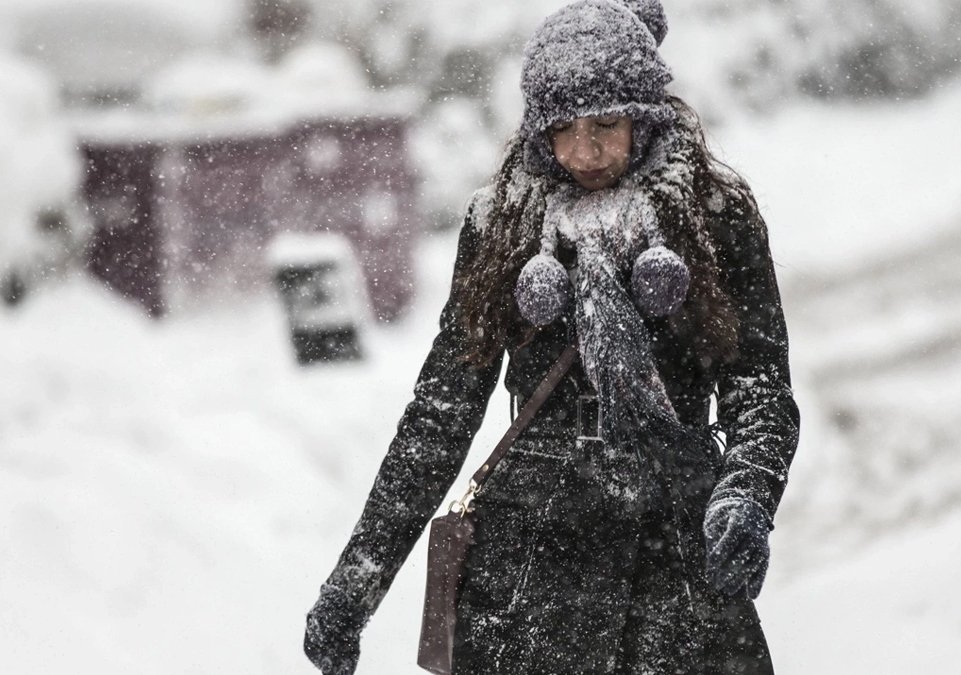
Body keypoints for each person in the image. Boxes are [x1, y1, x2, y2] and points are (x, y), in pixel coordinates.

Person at [303, 0, 799, 672]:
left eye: (606, 125)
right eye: (563, 129)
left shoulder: (716, 213)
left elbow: (760, 385)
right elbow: (442, 412)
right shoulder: (501, 223)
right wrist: (358, 578)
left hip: (677, 557)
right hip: (531, 573)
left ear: (648, 118)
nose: (585, 151)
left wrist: (746, 492)